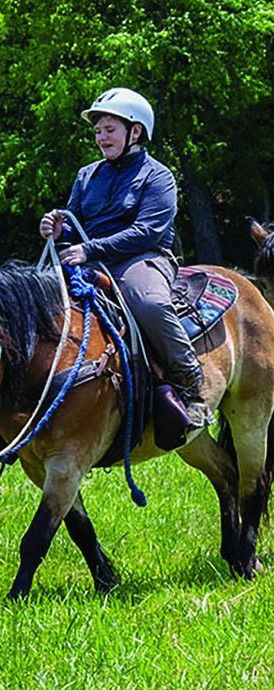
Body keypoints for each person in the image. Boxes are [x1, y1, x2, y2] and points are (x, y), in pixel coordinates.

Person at [39, 86, 208, 450]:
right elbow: (73, 221)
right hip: (89, 258)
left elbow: (148, 231)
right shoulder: (87, 176)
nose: (101, 137)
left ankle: (191, 382)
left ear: (135, 131)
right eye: (98, 130)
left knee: (149, 304)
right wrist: (57, 228)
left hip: (141, 259)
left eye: (109, 129)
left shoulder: (158, 176)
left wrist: (88, 248)